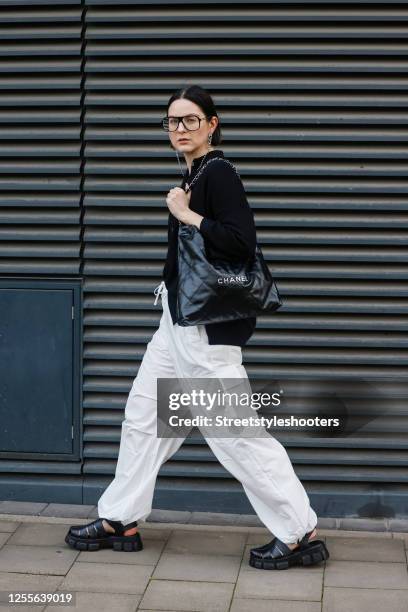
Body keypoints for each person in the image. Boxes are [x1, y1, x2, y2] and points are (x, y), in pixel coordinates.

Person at [65, 85, 329, 570]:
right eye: (172, 121)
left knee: (235, 433)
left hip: (205, 332)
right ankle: (120, 517)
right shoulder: (194, 172)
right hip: (177, 322)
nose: (180, 129)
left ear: (212, 124)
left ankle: (299, 531)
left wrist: (187, 215)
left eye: (189, 120)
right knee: (144, 417)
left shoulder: (219, 174)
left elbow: (240, 242)